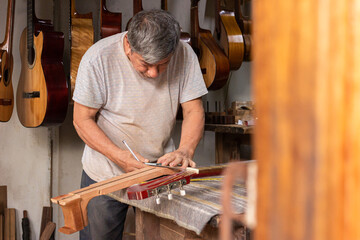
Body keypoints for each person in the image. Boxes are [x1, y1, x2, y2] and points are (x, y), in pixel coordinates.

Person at [72, 9, 208, 240]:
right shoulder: (98, 57)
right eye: (145, 65)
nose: (154, 74)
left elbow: (193, 109)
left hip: (161, 170)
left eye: (162, 64)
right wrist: (118, 156)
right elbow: (81, 119)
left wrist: (185, 150)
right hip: (106, 172)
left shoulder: (184, 54)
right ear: (128, 46)